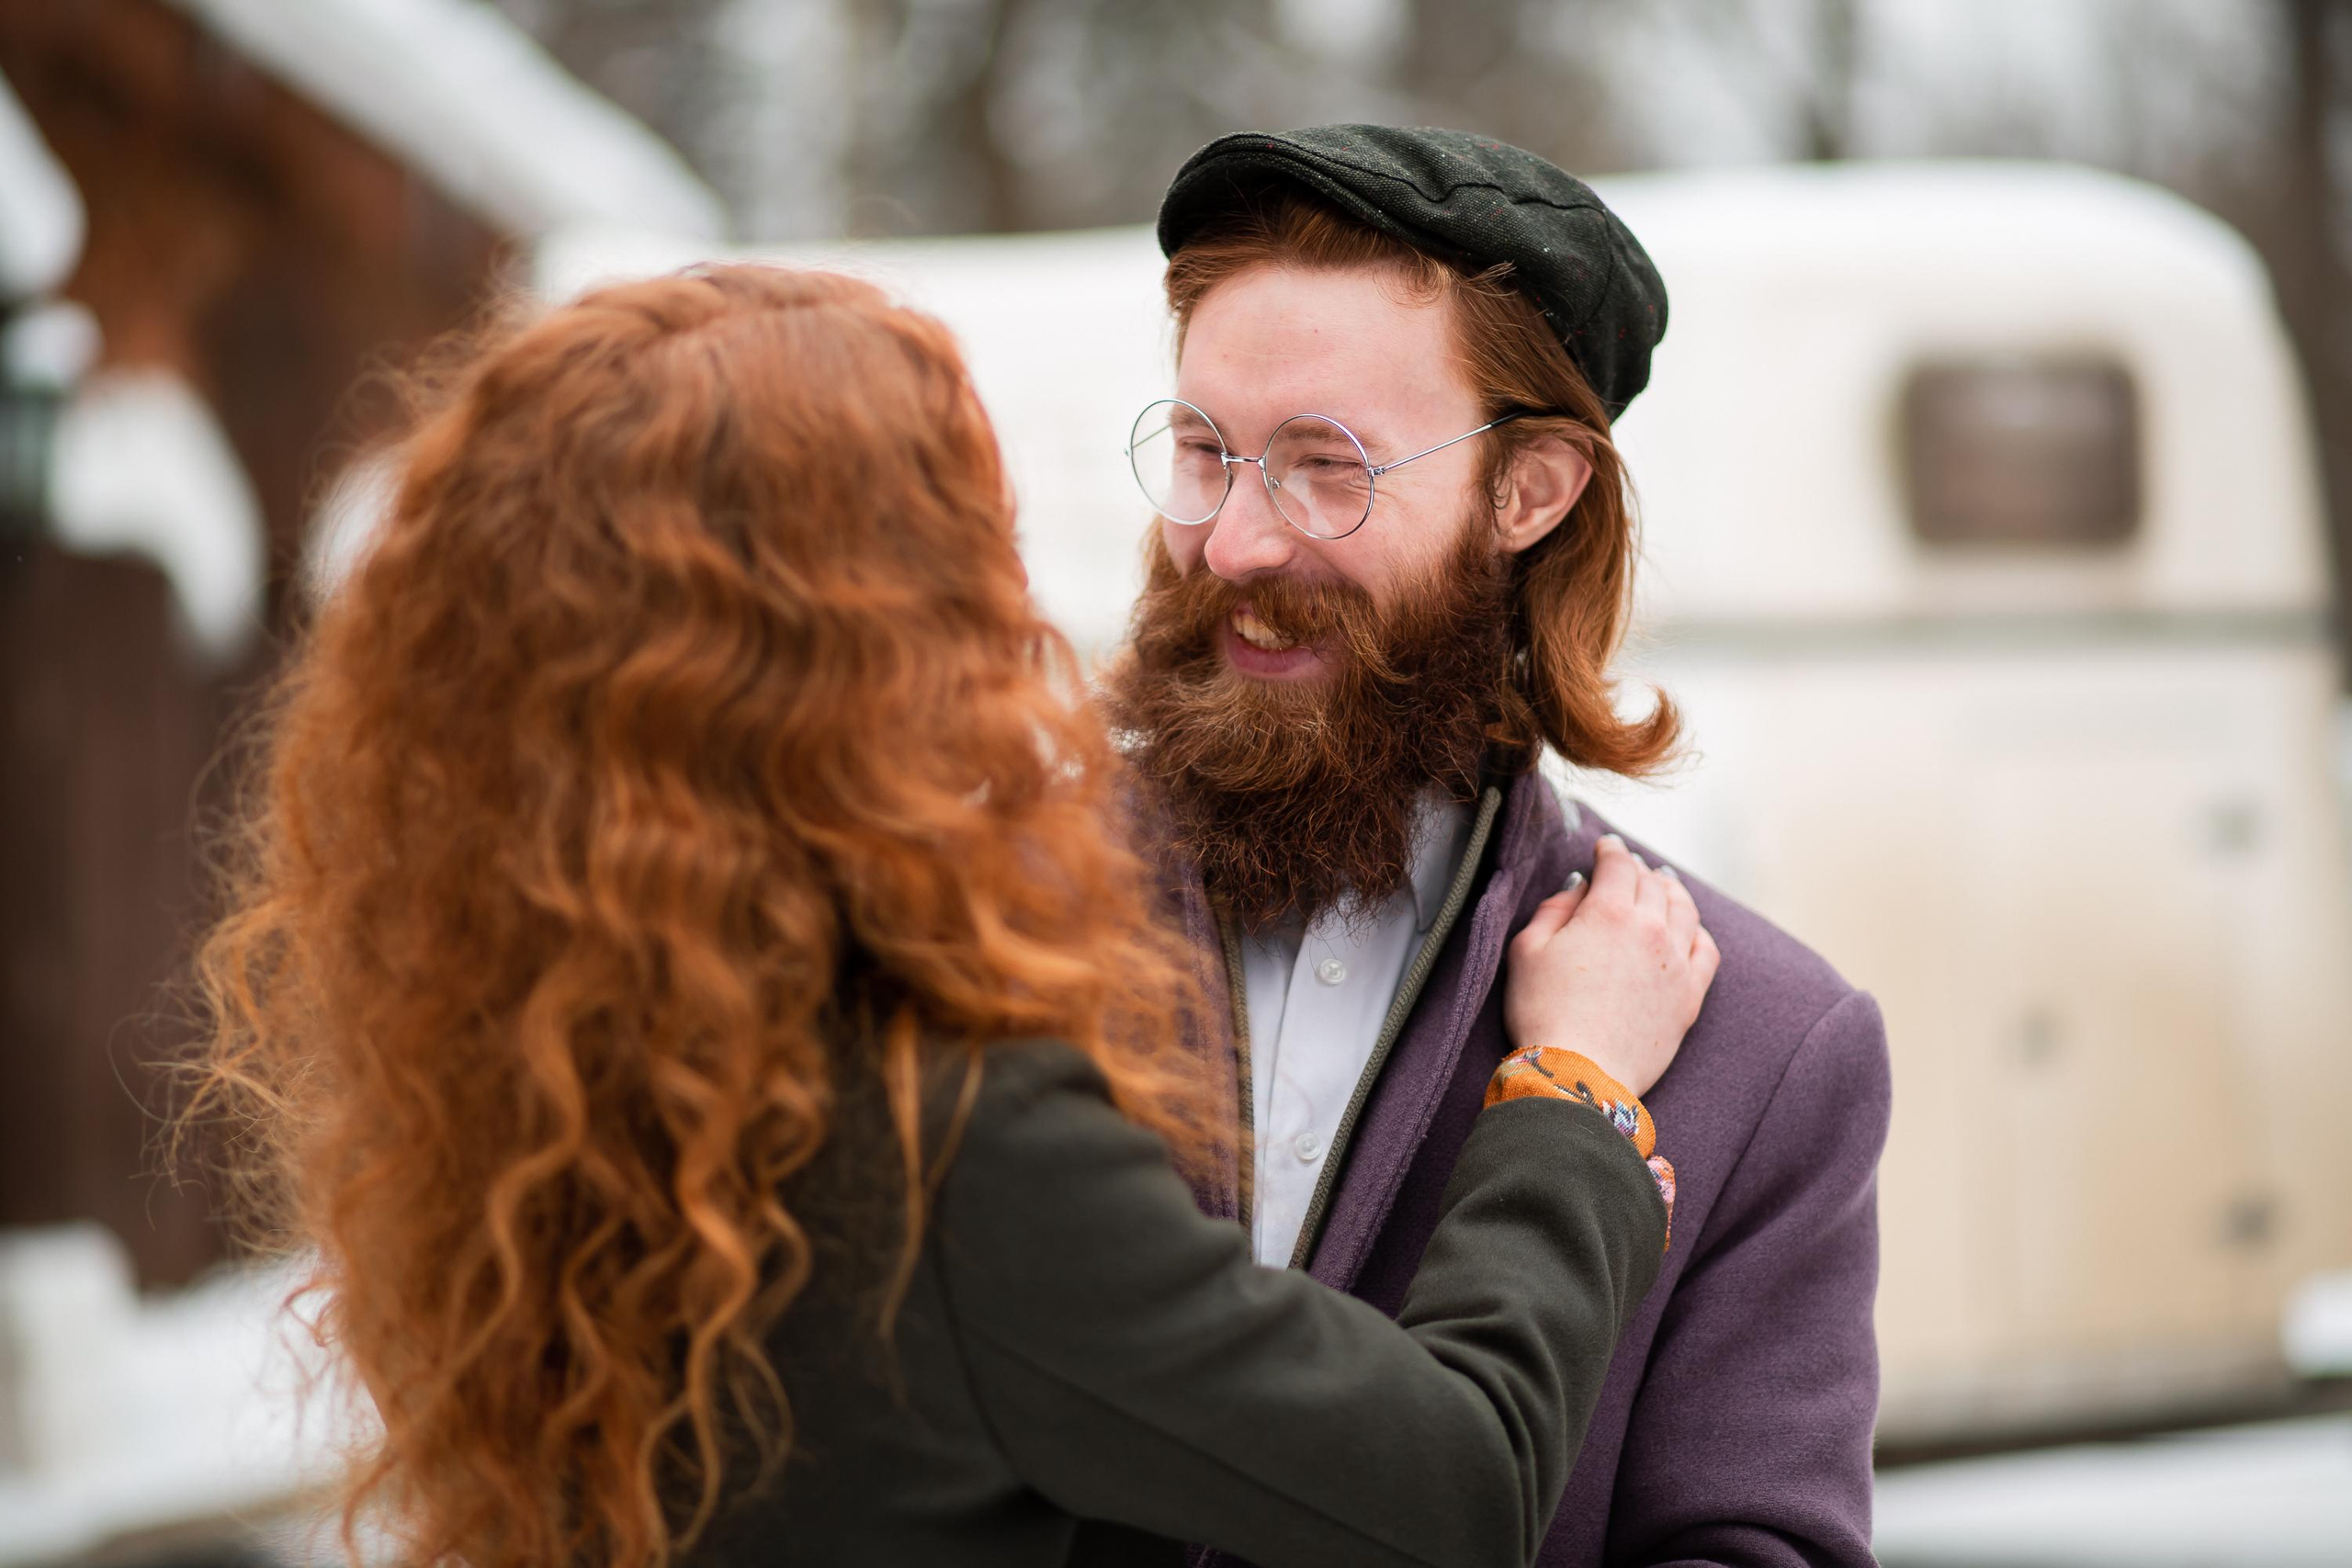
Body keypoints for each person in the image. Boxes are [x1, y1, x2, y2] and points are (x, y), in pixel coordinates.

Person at [182, 264, 1721, 1568]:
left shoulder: (567, 1056)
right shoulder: (939, 1147)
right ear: (860, 641)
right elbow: (1455, 1486)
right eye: (967, 547)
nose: (1023, 602)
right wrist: (1569, 1101)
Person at [1102, 127, 1894, 1568]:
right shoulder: (964, 917)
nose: (1232, 546)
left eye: (1324, 467)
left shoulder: (1768, 1047)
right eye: (1206, 452)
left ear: (1530, 492)